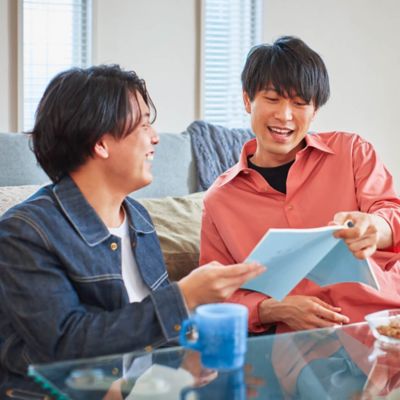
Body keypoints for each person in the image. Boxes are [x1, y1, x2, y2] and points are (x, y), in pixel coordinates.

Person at [0, 64, 265, 392]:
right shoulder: (25, 233)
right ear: (101, 143)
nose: (155, 137)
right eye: (142, 124)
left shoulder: (137, 219)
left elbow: (151, 333)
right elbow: (64, 344)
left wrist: (184, 365)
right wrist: (182, 297)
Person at [200, 36, 400, 335]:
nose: (284, 115)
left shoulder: (352, 151)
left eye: (299, 103)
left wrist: (374, 227)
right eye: (272, 99)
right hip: (302, 349)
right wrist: (272, 309)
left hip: (387, 317)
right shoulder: (220, 200)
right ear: (247, 100)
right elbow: (214, 294)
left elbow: (390, 213)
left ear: (315, 110)